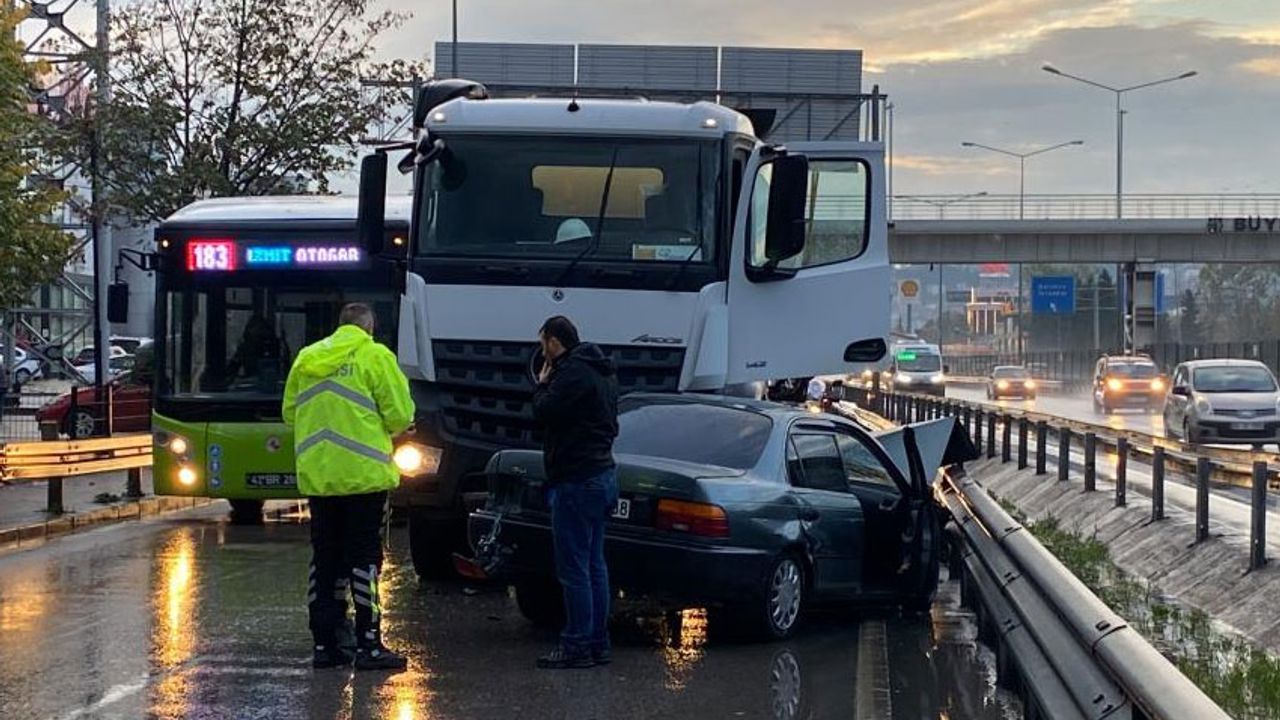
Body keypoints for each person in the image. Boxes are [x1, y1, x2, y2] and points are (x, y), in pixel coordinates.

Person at [282, 303, 415, 671]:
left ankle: (324, 644)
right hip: (363, 477)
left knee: (325, 559)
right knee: (364, 559)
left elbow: (290, 413)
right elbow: (401, 415)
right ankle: (369, 644)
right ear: (368, 327)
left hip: (321, 479)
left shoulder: (307, 358)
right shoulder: (374, 356)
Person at [531, 315, 620, 669]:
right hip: (602, 474)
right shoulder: (603, 371)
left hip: (576, 479)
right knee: (595, 564)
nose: (543, 354)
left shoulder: (570, 374)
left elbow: (543, 412)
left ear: (554, 342)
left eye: (543, 346)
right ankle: (599, 642)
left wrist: (541, 383)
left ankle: (577, 644)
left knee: (573, 569)